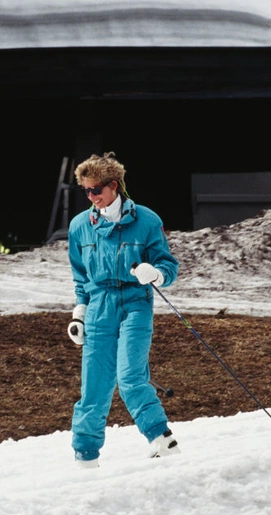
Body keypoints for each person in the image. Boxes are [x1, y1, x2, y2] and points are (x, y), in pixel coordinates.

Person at [66, 151, 180, 469]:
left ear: (113, 186)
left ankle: (162, 440)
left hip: (135, 303)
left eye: (95, 190)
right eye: (85, 191)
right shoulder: (80, 227)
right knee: (95, 385)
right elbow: (81, 277)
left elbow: (168, 265)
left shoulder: (146, 220)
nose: (91, 197)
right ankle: (85, 456)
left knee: (130, 376)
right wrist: (79, 314)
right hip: (99, 306)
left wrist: (155, 274)